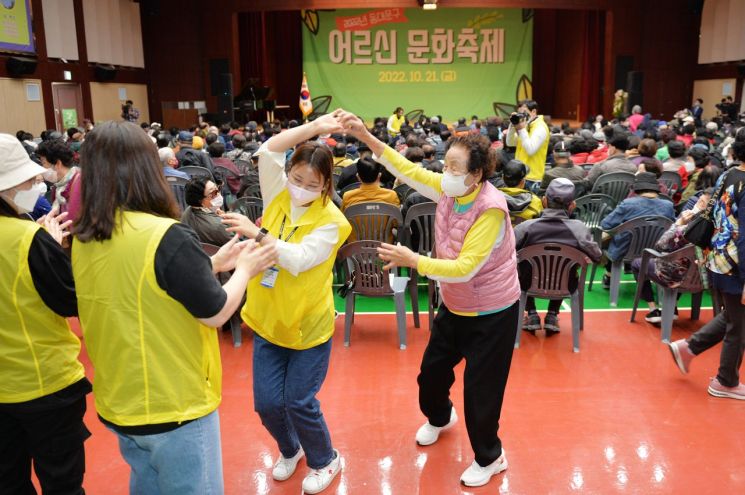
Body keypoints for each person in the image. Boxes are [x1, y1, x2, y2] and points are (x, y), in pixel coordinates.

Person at [71, 121, 277, 494]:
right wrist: (245, 270)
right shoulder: (164, 235)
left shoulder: (87, 236)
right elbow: (215, 312)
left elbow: (140, 285)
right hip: (173, 404)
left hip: (122, 399)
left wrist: (211, 265)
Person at [341, 109, 520, 488]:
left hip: (492, 312)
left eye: (455, 167)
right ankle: (440, 417)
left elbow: (466, 267)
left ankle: (492, 457)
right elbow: (405, 169)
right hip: (455, 305)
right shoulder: (447, 189)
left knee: (480, 394)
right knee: (431, 376)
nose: (446, 171)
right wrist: (366, 137)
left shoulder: (490, 209)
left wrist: (414, 260)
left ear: (476, 174)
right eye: (446, 163)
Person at [221, 114, 352, 494]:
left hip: (307, 325)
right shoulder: (277, 192)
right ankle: (290, 449)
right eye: (296, 179)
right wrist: (316, 127)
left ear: (326, 185)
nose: (301, 188)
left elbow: (298, 259)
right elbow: (270, 149)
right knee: (266, 405)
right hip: (267, 319)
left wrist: (256, 233)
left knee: (298, 401)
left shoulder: (333, 222)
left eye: (312, 184)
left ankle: (325, 459)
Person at [0, 134, 92, 495]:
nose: (36, 183)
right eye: (28, 179)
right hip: (44, 383)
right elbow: (68, 301)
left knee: (8, 481)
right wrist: (51, 249)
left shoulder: (27, 235)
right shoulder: (28, 239)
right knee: (62, 481)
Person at [515, 178, 602, 334]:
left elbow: (506, 253)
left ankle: (532, 313)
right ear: (572, 205)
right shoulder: (580, 229)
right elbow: (597, 256)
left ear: (543, 201)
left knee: (522, 267)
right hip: (566, 286)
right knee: (564, 270)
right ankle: (552, 315)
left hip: (527, 284)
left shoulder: (525, 227)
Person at [630, 190, 712, 322]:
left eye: (700, 201)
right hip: (704, 278)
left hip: (674, 276)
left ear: (703, 205)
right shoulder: (721, 230)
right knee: (685, 262)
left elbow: (661, 245)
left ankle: (653, 309)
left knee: (637, 263)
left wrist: (679, 223)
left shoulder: (686, 229)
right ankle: (672, 307)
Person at [599, 172, 675, 287]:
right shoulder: (668, 205)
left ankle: (609, 275)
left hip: (625, 250)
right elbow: (673, 226)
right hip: (655, 250)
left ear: (637, 189)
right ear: (656, 189)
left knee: (605, 238)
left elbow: (606, 224)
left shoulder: (627, 204)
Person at [505, 99, 550, 192]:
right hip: (520, 175)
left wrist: (521, 129)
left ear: (534, 111)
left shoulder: (540, 127)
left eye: (525, 113)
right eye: (520, 114)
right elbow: (510, 143)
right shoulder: (526, 126)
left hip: (532, 178)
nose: (523, 116)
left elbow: (530, 150)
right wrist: (512, 125)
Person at [36, 138, 82, 221]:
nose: (42, 168)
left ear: (58, 164)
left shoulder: (79, 184)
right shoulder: (59, 186)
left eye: (43, 163)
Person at [181, 177, 233, 246]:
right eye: (214, 193)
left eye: (218, 188)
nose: (218, 193)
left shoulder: (187, 211)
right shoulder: (219, 226)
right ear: (201, 201)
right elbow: (240, 246)